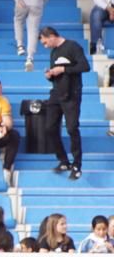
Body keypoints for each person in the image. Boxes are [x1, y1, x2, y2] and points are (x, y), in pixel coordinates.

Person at [39, 27, 90, 179]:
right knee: (49, 128)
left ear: (52, 36)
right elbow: (56, 75)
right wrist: (50, 75)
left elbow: (85, 66)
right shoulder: (53, 52)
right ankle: (63, 160)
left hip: (72, 94)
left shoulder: (73, 46)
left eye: (45, 42)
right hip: (56, 93)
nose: (45, 46)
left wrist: (63, 69)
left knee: (72, 128)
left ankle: (77, 164)